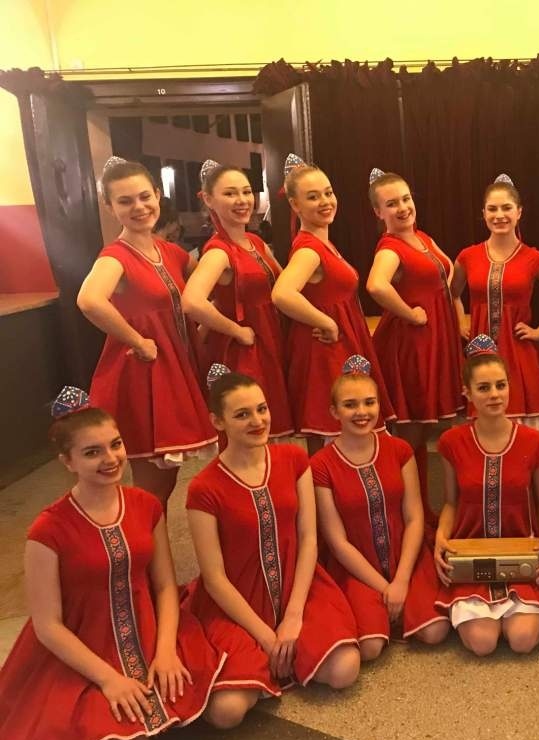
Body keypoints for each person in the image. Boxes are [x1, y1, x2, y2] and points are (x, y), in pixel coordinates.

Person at [0, 388, 222, 740]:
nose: (110, 458)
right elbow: (47, 625)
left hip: (148, 631)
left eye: (115, 445)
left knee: (211, 704)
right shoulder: (47, 530)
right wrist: (108, 679)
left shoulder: (146, 505)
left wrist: (166, 650)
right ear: (67, 461)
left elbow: (165, 586)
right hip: (81, 646)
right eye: (92, 452)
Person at [184, 369, 361, 728]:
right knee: (226, 712)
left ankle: (283, 660)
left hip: (299, 586)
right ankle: (266, 663)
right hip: (238, 603)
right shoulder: (203, 488)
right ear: (217, 421)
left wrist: (293, 616)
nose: (257, 421)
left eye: (261, 409)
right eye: (242, 414)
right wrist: (266, 636)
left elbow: (309, 538)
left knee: (344, 670)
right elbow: (214, 578)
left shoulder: (293, 460)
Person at [77, 157, 216, 509]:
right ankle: (142, 542)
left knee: (163, 484)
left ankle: (149, 542)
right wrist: (137, 340)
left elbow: (210, 285)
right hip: (147, 375)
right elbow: (90, 300)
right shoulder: (115, 256)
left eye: (144, 197)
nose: (139, 207)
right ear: (110, 207)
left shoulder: (170, 252)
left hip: (178, 369)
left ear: (157, 195)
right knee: (153, 486)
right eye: (125, 201)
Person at [312, 355, 450, 660]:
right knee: (370, 647)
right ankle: (380, 614)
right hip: (356, 564)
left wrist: (400, 580)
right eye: (350, 405)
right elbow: (336, 540)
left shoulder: (400, 450)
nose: (362, 412)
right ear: (334, 411)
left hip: (405, 556)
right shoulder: (321, 465)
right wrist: (384, 587)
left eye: (369, 403)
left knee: (435, 631)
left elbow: (414, 517)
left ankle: (398, 610)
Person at [433, 336, 539, 656]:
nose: (494, 395)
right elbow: (451, 502)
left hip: (521, 550)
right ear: (467, 393)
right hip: (470, 550)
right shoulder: (451, 442)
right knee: (483, 643)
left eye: (501, 385)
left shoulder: (534, 442)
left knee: (523, 640)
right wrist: (440, 538)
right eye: (484, 388)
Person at [272, 156, 394, 447]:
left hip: (340, 342)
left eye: (328, 193)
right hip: (325, 350)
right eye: (313, 197)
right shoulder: (308, 250)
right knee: (332, 430)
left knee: (342, 432)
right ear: (295, 205)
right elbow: (282, 293)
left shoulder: (321, 243)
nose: (325, 201)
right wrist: (326, 322)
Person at [367, 168, 463, 512]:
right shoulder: (390, 247)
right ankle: (407, 513)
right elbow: (375, 285)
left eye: (406, 199)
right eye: (392, 203)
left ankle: (417, 510)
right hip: (412, 345)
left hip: (433, 340)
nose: (403, 207)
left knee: (420, 433)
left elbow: (446, 278)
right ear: (378, 212)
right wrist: (410, 313)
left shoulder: (421, 238)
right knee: (411, 433)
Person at [182, 159, 293, 438]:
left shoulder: (255, 242)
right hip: (245, 349)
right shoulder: (219, 251)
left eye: (245, 192)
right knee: (249, 428)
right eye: (230, 193)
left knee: (271, 427)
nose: (242, 200)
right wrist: (237, 331)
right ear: (209, 199)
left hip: (270, 338)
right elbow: (192, 301)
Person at [451, 174, 539, 427]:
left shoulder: (534, 258)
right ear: (483, 213)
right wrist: (460, 322)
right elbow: (452, 294)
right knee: (483, 427)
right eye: (492, 209)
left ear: (519, 212)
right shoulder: (468, 256)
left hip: (519, 352)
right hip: (479, 351)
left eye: (506, 208)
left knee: (522, 429)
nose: (499, 215)